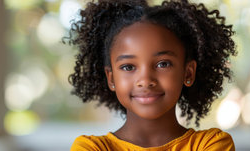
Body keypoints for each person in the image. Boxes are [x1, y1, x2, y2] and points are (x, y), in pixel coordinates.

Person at [65, 0, 237, 150]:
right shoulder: (91, 148)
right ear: (111, 78)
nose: (146, 80)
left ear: (188, 72)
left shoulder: (211, 144)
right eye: (128, 67)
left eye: (163, 64)